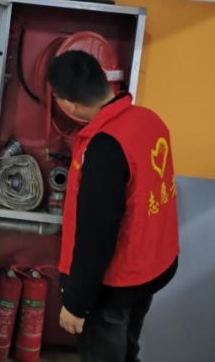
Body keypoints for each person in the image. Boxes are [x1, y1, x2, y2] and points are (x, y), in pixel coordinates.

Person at [47, 51, 179, 362]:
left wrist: (77, 304)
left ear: (69, 105)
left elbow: (96, 234)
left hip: (115, 283)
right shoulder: (148, 120)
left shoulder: (105, 146)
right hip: (150, 268)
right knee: (128, 347)